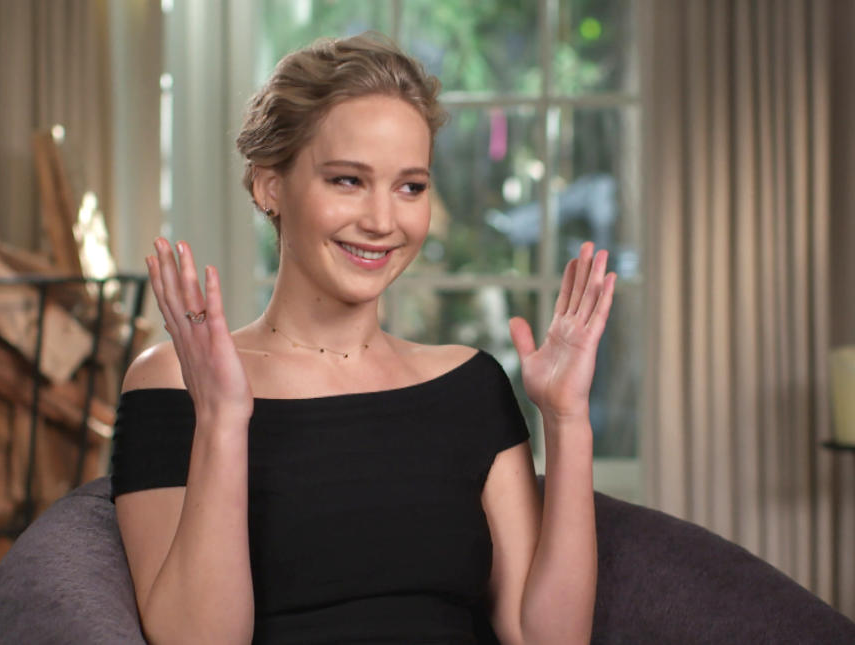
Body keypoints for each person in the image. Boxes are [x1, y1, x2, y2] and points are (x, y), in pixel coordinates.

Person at [110, 32, 614, 645]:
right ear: (270, 185)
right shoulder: (173, 382)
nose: (382, 221)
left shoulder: (469, 385)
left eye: (410, 187)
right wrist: (220, 420)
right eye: (348, 180)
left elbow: (545, 641)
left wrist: (567, 421)